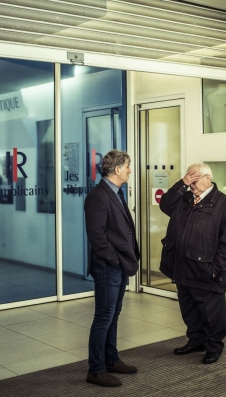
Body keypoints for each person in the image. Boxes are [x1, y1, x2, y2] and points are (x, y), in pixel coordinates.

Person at [159, 162, 226, 364]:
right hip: (182, 267)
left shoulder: (225, 204)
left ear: (207, 178)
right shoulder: (184, 199)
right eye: (189, 179)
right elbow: (165, 204)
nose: (192, 184)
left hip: (207, 270)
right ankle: (196, 341)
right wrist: (182, 183)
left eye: (195, 179)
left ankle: (214, 347)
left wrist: (216, 269)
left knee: (212, 314)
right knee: (189, 309)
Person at [84, 149, 140, 388]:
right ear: (117, 169)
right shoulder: (98, 196)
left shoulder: (115, 193)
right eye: (127, 166)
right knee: (104, 317)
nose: (129, 170)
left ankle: (111, 359)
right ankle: (96, 370)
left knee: (113, 314)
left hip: (120, 264)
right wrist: (114, 259)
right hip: (108, 266)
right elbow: (96, 236)